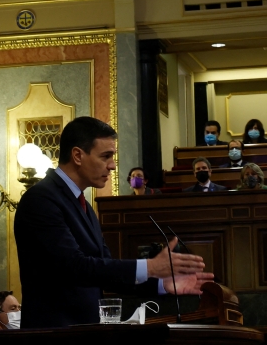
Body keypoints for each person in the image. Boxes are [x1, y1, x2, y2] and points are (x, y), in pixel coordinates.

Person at [14, 116, 211, 328]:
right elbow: (73, 266)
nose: (113, 166)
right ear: (78, 155)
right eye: (106, 156)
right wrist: (150, 267)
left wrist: (161, 284)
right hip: (53, 336)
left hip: (83, 333)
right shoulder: (41, 199)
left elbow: (105, 275)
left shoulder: (85, 207)